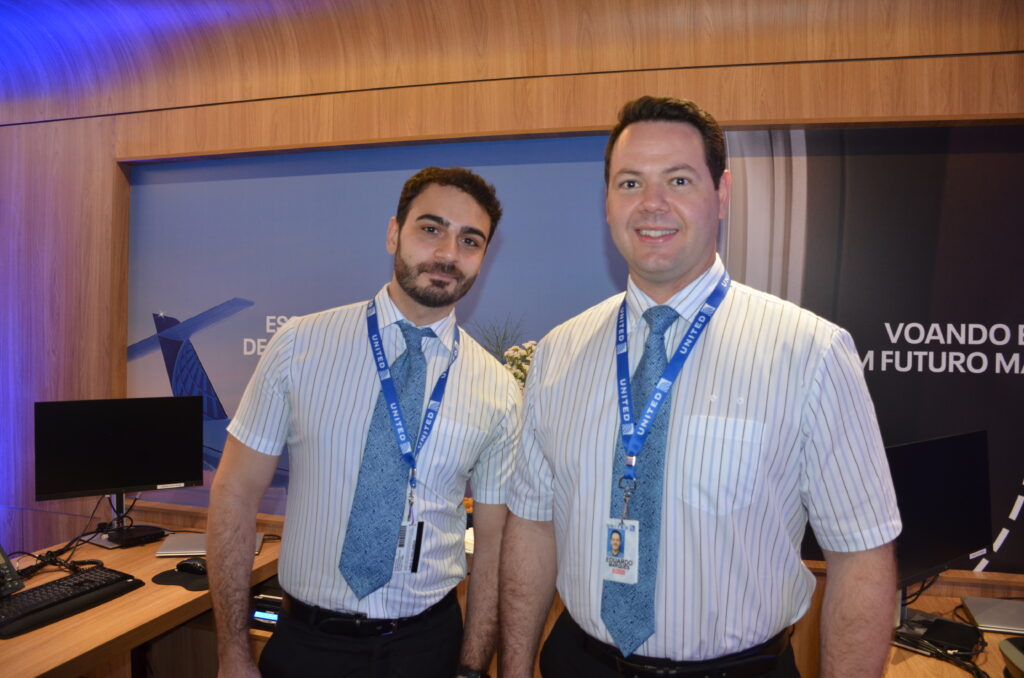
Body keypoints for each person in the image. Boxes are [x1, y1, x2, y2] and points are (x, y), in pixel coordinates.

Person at [500, 97, 902, 678]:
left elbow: (862, 556)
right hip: (577, 662)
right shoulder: (558, 352)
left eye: (679, 179)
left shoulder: (811, 353)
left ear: (723, 194)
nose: (652, 204)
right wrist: (513, 670)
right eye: (630, 181)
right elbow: (533, 526)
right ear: (607, 203)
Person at [208, 166, 521, 678]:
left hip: (428, 649)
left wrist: (470, 665)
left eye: (470, 240)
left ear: (483, 257)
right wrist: (232, 654)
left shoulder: (499, 390)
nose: (447, 253)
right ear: (394, 232)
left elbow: (493, 548)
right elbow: (234, 495)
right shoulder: (299, 346)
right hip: (307, 647)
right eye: (430, 228)